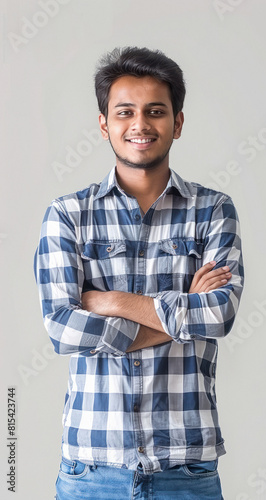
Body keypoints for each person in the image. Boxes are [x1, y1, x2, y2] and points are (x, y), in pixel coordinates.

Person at [34, 46, 244, 500]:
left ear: (178, 122)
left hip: (185, 467)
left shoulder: (212, 211)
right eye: (125, 111)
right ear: (104, 124)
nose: (140, 124)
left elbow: (219, 316)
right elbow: (60, 327)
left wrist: (106, 301)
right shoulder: (68, 214)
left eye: (156, 111)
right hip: (91, 467)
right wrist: (180, 314)